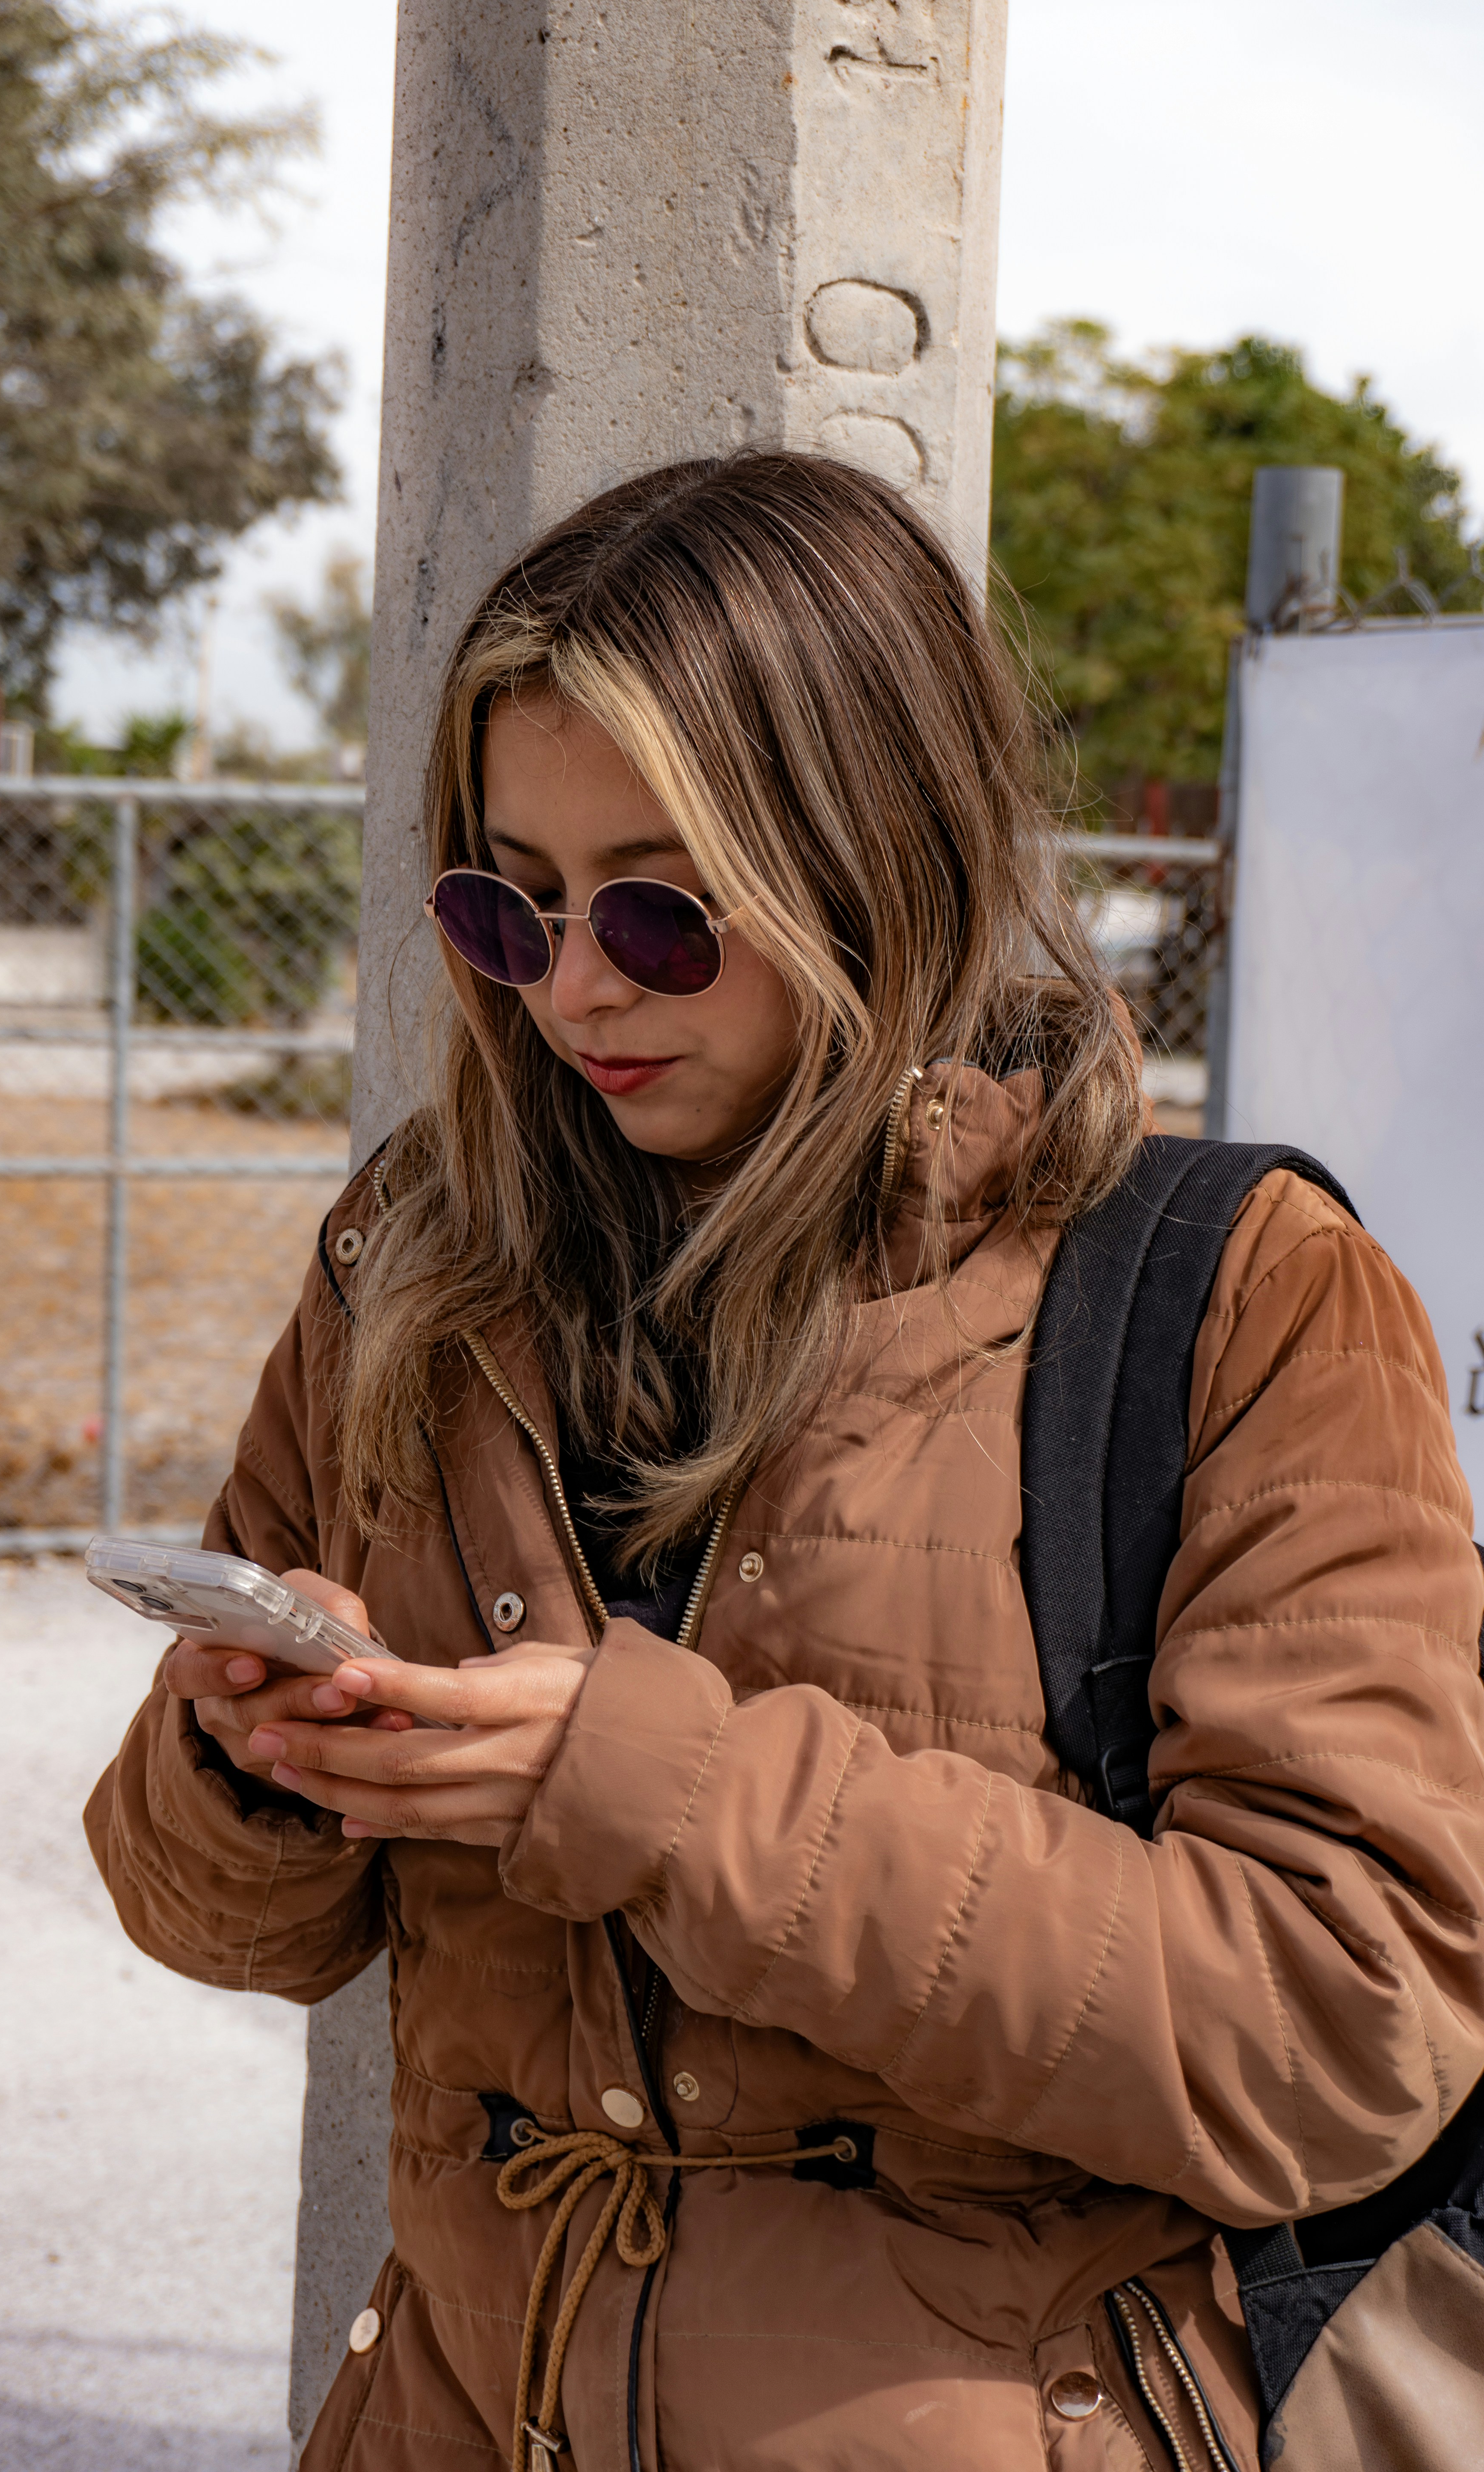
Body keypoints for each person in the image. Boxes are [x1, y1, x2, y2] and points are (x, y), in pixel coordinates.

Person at [86, 453, 1484, 2472]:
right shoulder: (419, 1254)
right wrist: (250, 1756)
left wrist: (659, 1794)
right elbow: (216, 1923)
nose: (572, 987)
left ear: (871, 852)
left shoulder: (1239, 1293)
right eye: (506, 903)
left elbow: (1341, 2037)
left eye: (660, 911)